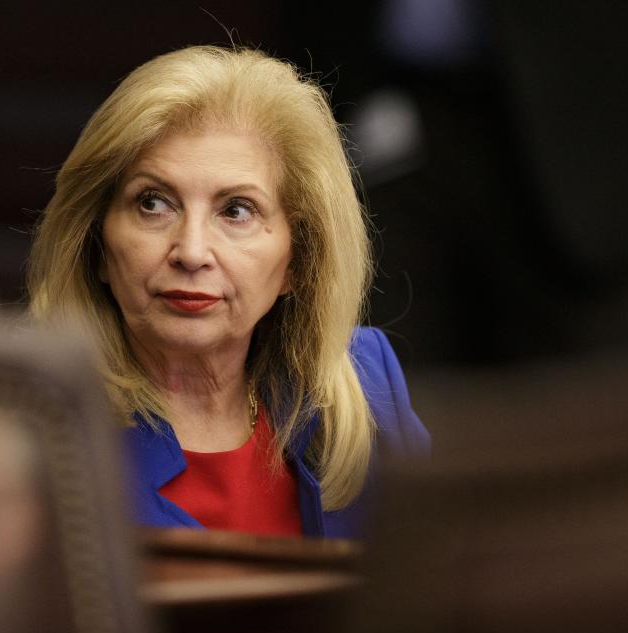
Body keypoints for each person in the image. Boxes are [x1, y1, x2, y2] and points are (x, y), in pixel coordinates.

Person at [27, 45, 430, 539]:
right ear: (96, 245)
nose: (192, 251)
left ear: (298, 260)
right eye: (153, 203)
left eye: (236, 211)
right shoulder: (43, 425)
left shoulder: (364, 385)